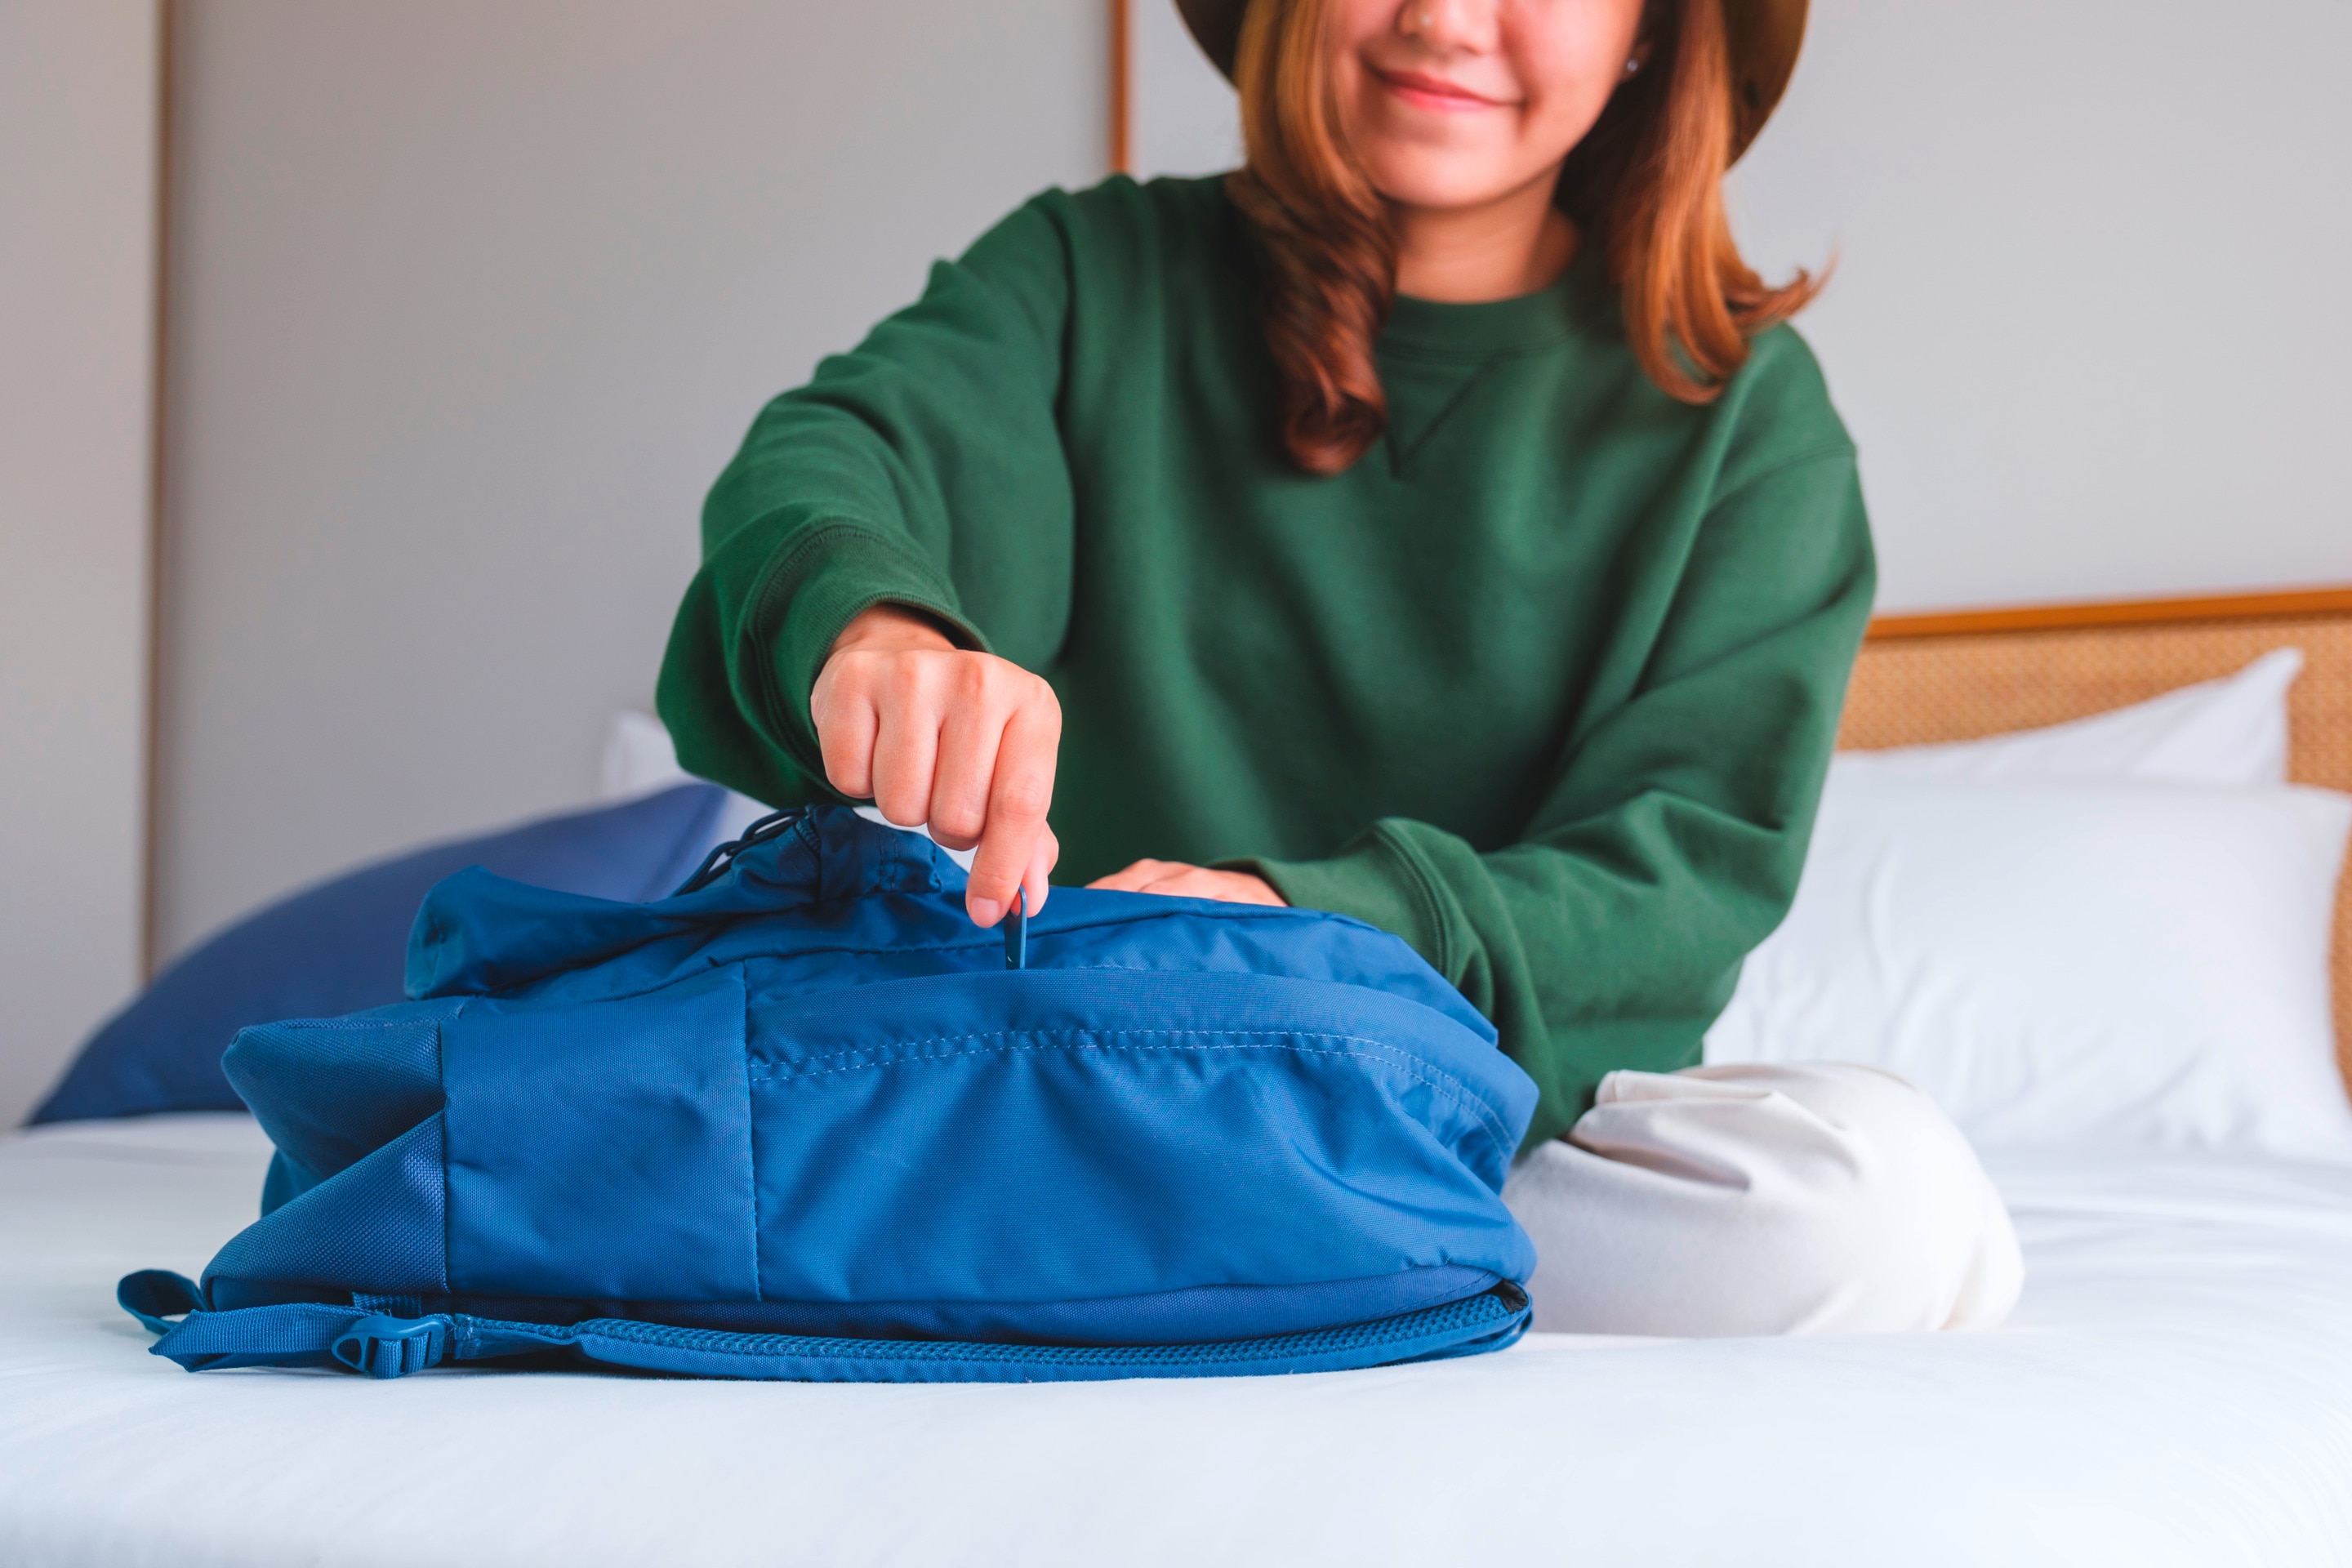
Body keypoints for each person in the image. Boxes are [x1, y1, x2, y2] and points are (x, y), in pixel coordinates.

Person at [658, 0, 2021, 1334]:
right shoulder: (1094, 274)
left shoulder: (1747, 418)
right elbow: (840, 459)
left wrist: (1290, 920)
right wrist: (874, 628)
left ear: (1654, 30)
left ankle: (1138, 1267)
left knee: (1878, 1200)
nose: (1446, 18)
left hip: (1472, 1136)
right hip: (1090, 1074)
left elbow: (1673, 881)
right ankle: (1209, 1262)